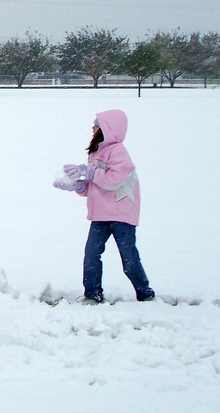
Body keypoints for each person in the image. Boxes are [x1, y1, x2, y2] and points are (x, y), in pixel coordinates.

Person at [54, 109, 155, 304]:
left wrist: (89, 172)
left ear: (108, 129)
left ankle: (144, 292)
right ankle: (93, 294)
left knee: (129, 258)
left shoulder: (118, 152)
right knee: (91, 255)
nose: (93, 128)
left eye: (97, 124)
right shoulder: (95, 152)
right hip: (100, 214)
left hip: (121, 214)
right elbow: (96, 185)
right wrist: (78, 185)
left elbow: (114, 180)